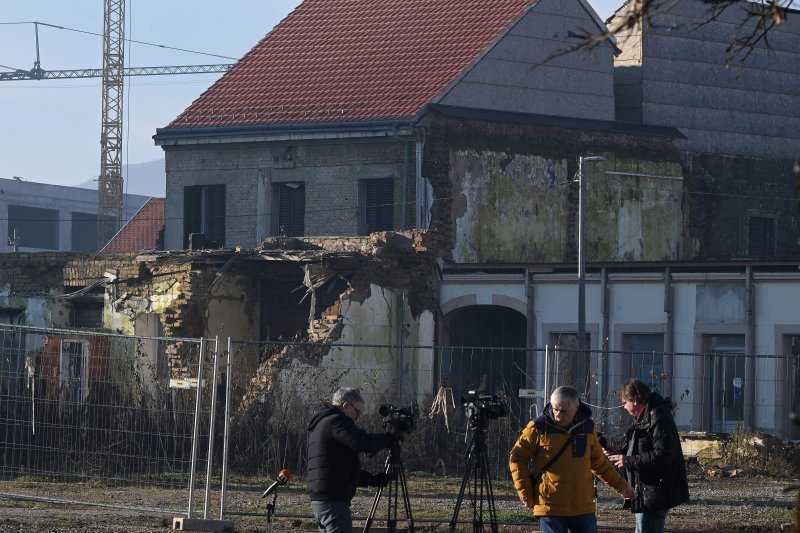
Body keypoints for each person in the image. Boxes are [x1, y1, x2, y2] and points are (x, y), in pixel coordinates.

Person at [509, 386, 635, 533]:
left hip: (583, 507)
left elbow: (599, 464)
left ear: (576, 408)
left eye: (564, 411)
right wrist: (525, 494)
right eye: (555, 409)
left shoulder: (588, 428)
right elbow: (516, 458)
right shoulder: (538, 428)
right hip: (550, 507)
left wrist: (622, 487)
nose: (558, 415)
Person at [606, 378, 689, 533]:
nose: (624, 407)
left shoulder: (658, 418)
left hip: (655, 491)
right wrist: (619, 453)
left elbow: (663, 454)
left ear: (635, 401)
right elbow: (641, 449)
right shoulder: (645, 418)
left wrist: (628, 461)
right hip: (647, 490)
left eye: (625, 403)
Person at [306, 387, 393, 533]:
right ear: (346, 406)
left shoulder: (324, 423)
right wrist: (388, 439)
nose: (357, 417)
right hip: (333, 502)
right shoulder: (337, 421)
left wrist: (372, 480)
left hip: (322, 499)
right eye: (357, 412)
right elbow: (361, 442)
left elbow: (340, 468)